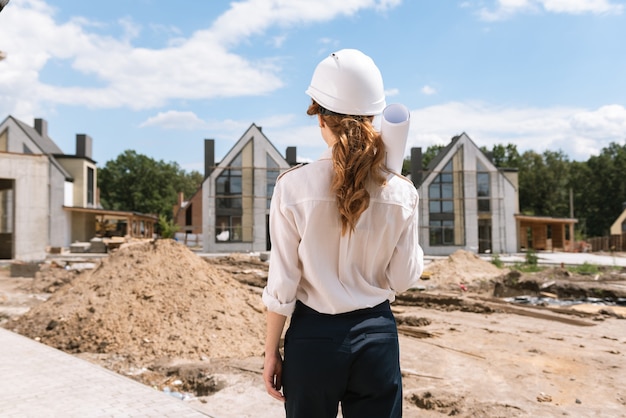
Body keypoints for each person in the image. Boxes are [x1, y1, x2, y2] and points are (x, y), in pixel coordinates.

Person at [262, 48, 424, 418]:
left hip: (312, 339)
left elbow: (283, 283)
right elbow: (402, 278)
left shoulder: (292, 187)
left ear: (320, 118)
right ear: (373, 117)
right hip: (377, 336)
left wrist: (271, 351)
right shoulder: (402, 192)